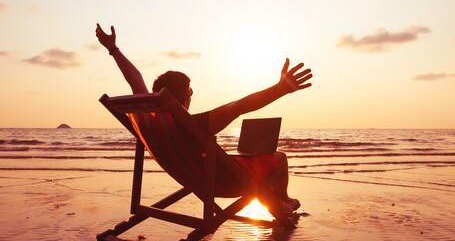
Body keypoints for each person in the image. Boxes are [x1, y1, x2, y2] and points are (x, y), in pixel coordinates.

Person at [95, 23, 312, 222]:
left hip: (192, 176)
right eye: (190, 90)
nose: (192, 94)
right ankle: (283, 201)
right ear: (181, 97)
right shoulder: (190, 125)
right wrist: (281, 88)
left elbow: (136, 80)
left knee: (251, 163)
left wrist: (113, 49)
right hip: (222, 183)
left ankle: (278, 205)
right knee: (279, 159)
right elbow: (240, 105)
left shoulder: (153, 124)